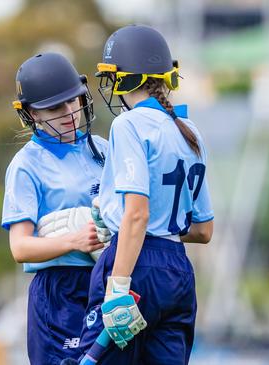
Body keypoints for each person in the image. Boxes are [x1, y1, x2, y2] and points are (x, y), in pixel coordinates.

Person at [78, 24, 215, 364]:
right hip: (178, 270)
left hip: (136, 265)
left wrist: (119, 282)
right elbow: (203, 230)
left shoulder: (128, 124)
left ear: (127, 78)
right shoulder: (189, 130)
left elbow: (136, 215)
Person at [1, 52, 109, 364]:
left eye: (73, 101)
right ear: (31, 114)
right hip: (59, 293)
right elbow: (20, 247)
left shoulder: (103, 149)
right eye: (54, 107)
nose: (69, 112)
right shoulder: (26, 165)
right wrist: (74, 241)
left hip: (106, 284)